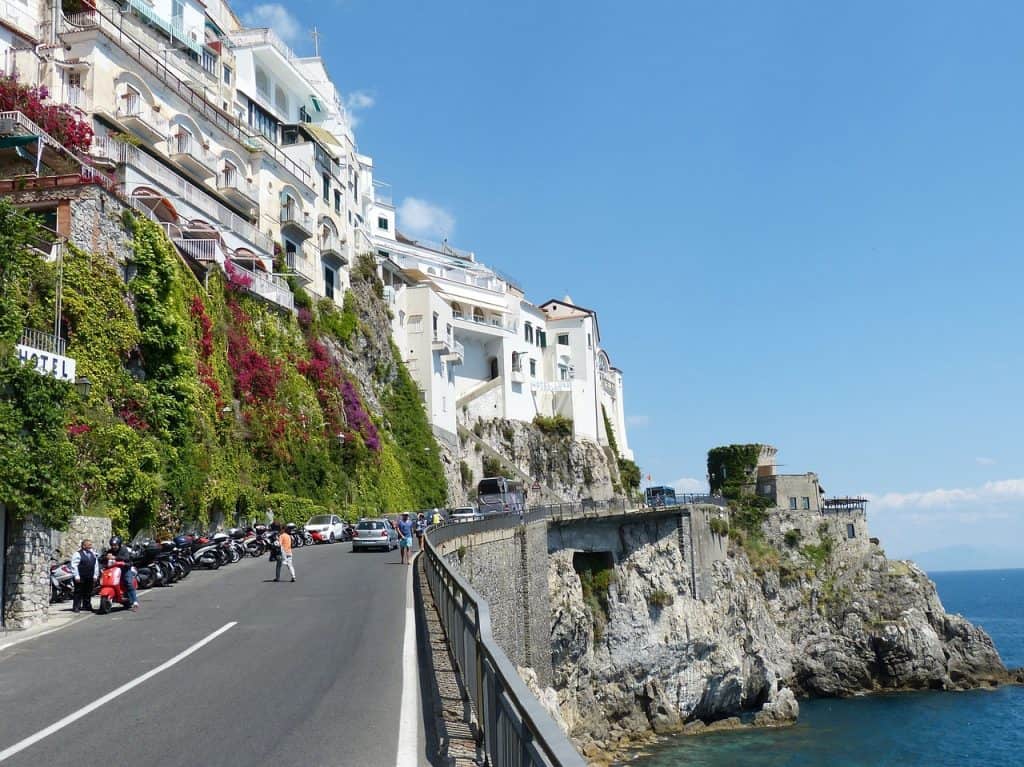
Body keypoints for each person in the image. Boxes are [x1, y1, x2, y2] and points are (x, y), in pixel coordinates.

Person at [104, 536, 139, 611]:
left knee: (128, 582)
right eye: (112, 545)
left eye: (115, 545)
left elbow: (126, 558)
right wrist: (106, 557)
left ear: (119, 544)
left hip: (125, 569)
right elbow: (103, 558)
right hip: (114, 569)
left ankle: (135, 602)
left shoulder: (124, 550)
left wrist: (115, 558)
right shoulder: (110, 551)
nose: (114, 547)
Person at [70, 539, 98, 613]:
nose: (90, 546)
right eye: (89, 545)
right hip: (80, 576)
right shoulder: (77, 554)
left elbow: (96, 565)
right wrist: (76, 576)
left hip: (90, 576)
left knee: (88, 592)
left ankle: (87, 605)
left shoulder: (93, 554)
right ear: (83, 546)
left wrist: (95, 575)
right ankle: (76, 607)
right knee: (78, 592)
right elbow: (74, 566)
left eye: (90, 545)